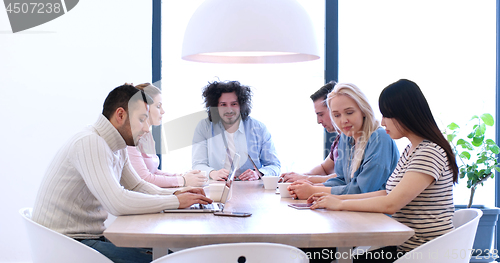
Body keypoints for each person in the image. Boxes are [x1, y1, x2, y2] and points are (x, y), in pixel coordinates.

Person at [32, 84, 212, 263]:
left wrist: (176, 194)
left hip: (84, 239)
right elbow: (117, 202)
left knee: (171, 255)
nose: (147, 129)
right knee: (170, 259)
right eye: (142, 119)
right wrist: (175, 201)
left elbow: (137, 185)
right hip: (66, 245)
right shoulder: (90, 142)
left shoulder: (118, 145)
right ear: (120, 115)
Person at [308, 79, 458, 262]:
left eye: (387, 115)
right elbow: (387, 192)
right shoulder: (412, 150)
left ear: (406, 114)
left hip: (422, 252)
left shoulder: (429, 152)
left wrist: (339, 203)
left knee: (323, 256)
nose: (383, 121)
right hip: (403, 245)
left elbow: (390, 204)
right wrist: (336, 199)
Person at [288, 83, 399, 200]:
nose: (343, 120)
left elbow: (363, 191)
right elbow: (342, 180)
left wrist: (314, 190)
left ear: (363, 110)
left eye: (349, 113)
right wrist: (310, 187)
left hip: (377, 215)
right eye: (336, 115)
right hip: (353, 211)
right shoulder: (346, 138)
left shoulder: (379, 138)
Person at [192, 80, 280, 181]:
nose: (229, 110)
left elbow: (274, 166)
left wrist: (258, 173)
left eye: (234, 104)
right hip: (217, 188)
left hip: (251, 189)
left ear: (241, 105)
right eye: (223, 105)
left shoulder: (259, 128)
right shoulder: (204, 127)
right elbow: (198, 164)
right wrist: (213, 173)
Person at [127, 83, 207, 188]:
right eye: (158, 106)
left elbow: (154, 172)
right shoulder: (130, 139)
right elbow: (144, 179)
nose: (163, 111)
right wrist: (182, 180)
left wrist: (182, 176)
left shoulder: (147, 135)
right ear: (144, 107)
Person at [281, 81, 340, 183]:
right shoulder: (340, 139)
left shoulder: (358, 139)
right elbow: (324, 169)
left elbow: (344, 178)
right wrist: (299, 176)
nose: (318, 121)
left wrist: (306, 179)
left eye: (321, 114)